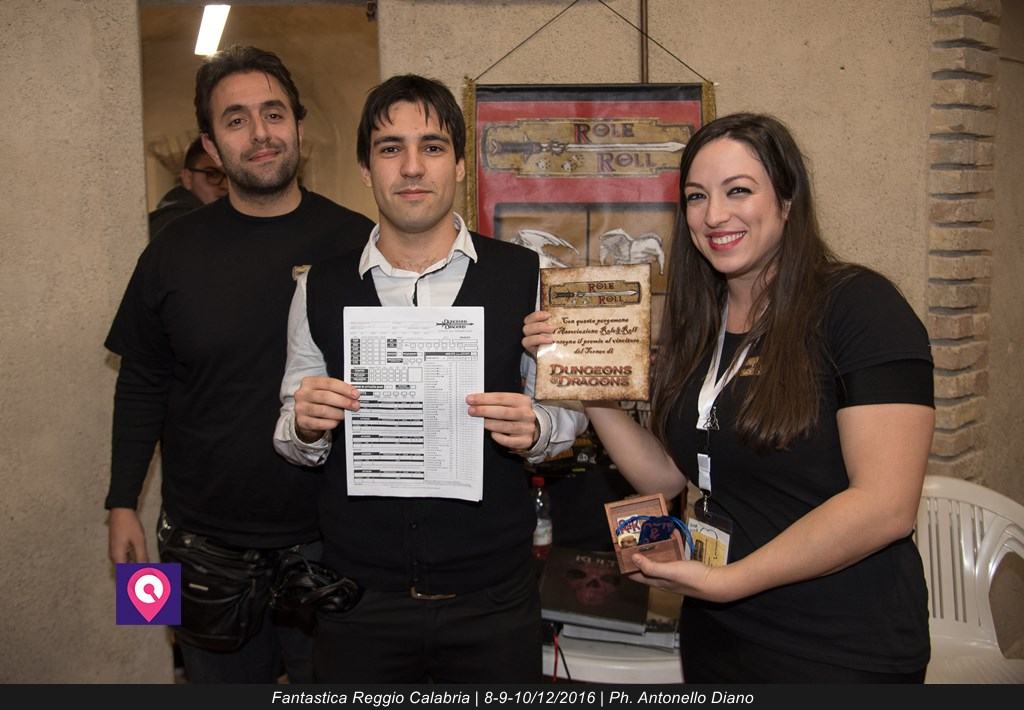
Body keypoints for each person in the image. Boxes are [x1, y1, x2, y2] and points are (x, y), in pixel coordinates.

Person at [523, 113, 935, 683]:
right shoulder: (701, 322)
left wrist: (731, 580)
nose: (714, 215)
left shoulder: (861, 308)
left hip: (840, 643)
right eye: (697, 196)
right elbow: (667, 476)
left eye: (738, 190)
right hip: (718, 635)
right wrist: (583, 378)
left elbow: (885, 506)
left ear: (787, 200)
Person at [273, 74, 587, 683]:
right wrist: (305, 426)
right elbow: (289, 428)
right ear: (366, 169)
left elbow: (567, 416)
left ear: (460, 166)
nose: (412, 167)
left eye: (433, 147)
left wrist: (539, 427)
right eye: (390, 148)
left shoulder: (527, 275)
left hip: (492, 604)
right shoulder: (318, 286)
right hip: (360, 606)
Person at [104, 45, 374, 683]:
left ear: (298, 127)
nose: (260, 133)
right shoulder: (170, 251)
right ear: (211, 144)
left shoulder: (358, 242)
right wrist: (121, 504)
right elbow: (141, 381)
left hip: (333, 538)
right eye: (236, 120)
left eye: (273, 114)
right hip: (199, 543)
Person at [148, 137, 228, 238]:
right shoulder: (177, 223)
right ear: (188, 178)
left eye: (231, 178)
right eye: (213, 174)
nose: (226, 186)